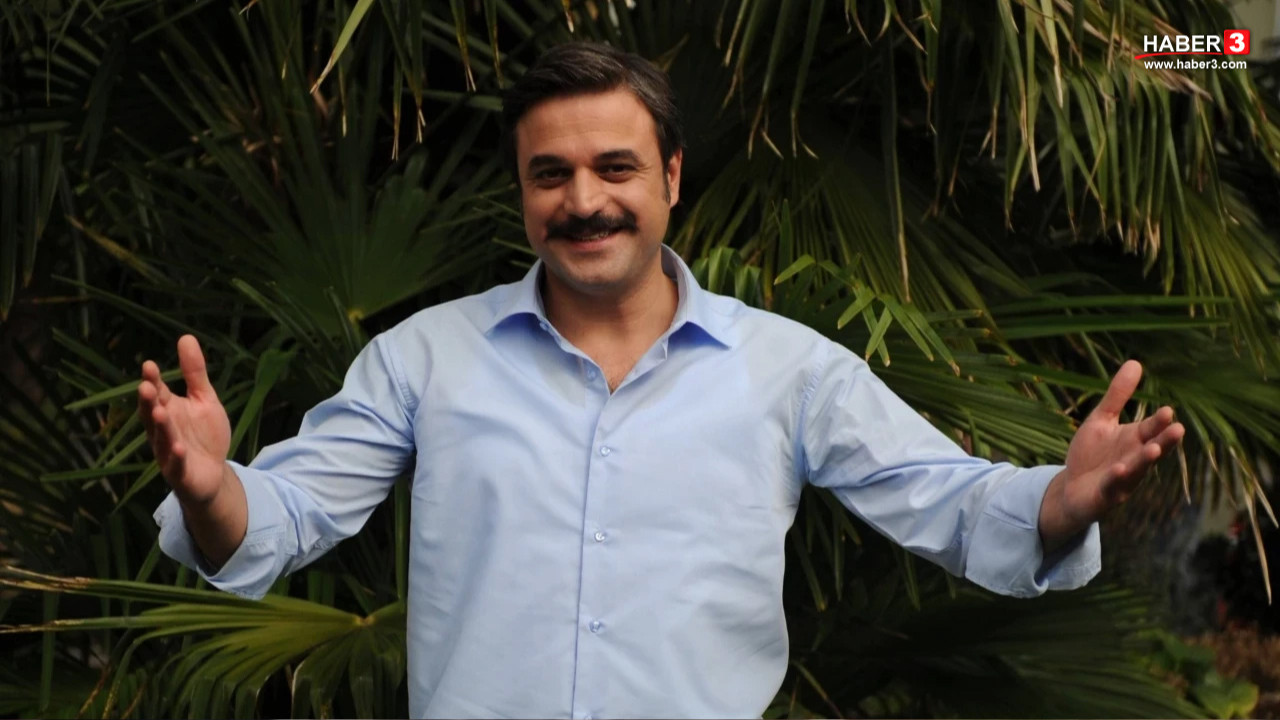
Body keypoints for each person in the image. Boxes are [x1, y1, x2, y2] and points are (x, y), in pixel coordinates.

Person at [137, 42, 1186, 719]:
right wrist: (212, 488)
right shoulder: (424, 357)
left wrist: (1057, 502)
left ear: (671, 176)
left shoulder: (788, 371)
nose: (582, 200)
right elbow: (280, 520)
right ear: (522, 192)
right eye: (550, 174)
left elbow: (950, 505)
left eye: (615, 167)